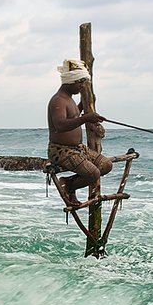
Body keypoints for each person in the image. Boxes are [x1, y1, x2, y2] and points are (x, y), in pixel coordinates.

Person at [47, 59, 112, 207]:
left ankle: (69, 183)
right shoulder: (58, 100)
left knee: (106, 165)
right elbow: (60, 125)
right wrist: (86, 118)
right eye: (80, 82)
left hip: (78, 149)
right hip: (62, 151)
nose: (82, 86)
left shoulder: (69, 100)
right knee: (93, 173)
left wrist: (84, 106)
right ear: (71, 81)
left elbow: (74, 117)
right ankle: (70, 186)